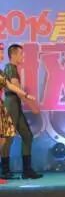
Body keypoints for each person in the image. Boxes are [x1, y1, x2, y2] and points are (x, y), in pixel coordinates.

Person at [1, 43, 43, 179]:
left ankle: (27, 170)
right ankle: (5, 171)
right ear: (13, 55)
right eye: (20, 54)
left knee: (27, 135)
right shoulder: (10, 68)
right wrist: (32, 106)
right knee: (8, 137)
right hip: (11, 104)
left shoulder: (11, 68)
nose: (23, 56)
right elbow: (16, 90)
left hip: (15, 104)